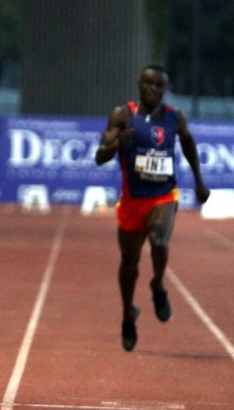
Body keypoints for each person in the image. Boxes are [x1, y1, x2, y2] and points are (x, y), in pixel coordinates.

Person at [94, 64, 210, 352]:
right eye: (149, 84)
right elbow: (100, 156)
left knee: (159, 241)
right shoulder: (123, 115)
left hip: (163, 194)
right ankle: (127, 315)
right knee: (129, 264)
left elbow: (189, 145)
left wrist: (199, 181)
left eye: (159, 85)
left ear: (165, 89)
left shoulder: (174, 117)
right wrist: (117, 144)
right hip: (133, 199)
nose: (153, 89)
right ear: (139, 84)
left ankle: (158, 285)